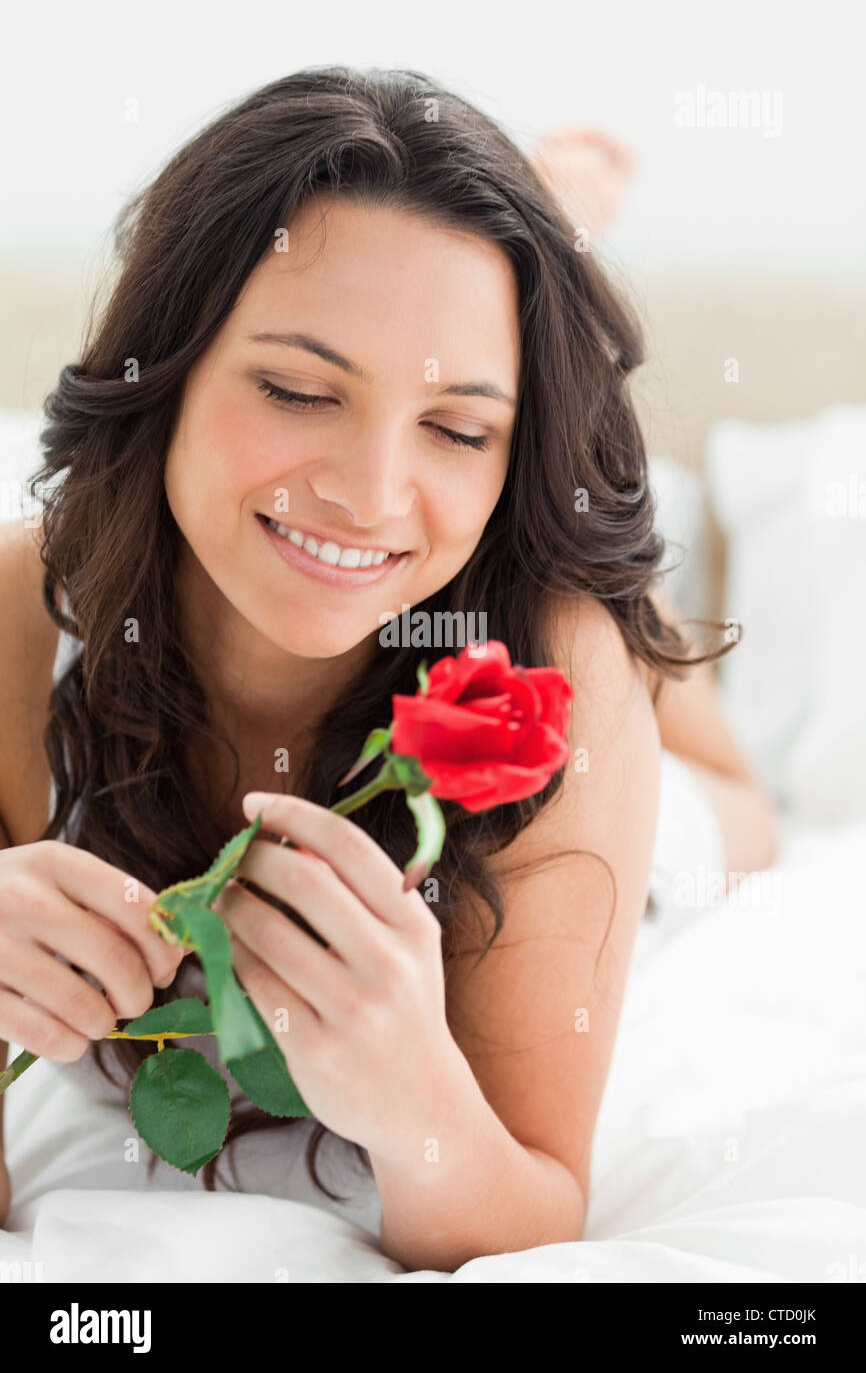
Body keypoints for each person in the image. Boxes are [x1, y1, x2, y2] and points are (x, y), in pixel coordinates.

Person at [0, 67, 776, 1268]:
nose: (365, 493)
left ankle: (554, 261)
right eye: (297, 389)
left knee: (702, 777)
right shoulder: (19, 605)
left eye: (460, 426)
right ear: (169, 366)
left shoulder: (552, 670)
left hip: (539, 679)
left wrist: (413, 1095)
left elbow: (526, 1199)